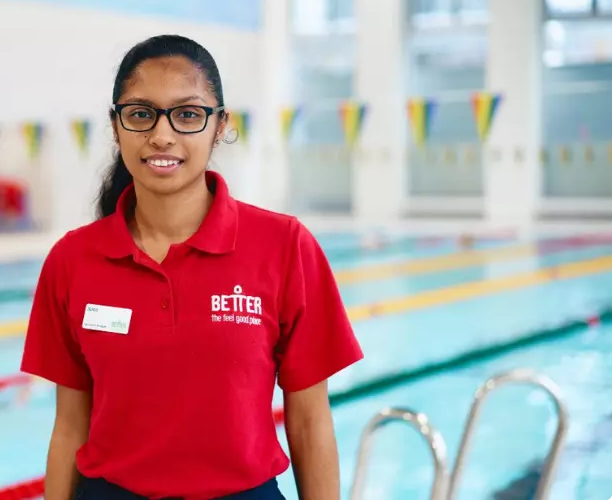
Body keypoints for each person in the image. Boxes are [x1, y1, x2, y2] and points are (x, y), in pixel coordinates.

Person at [20, 35, 363, 500]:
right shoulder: (73, 260)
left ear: (220, 125)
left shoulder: (284, 246)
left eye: (187, 114)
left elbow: (310, 421)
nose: (162, 136)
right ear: (116, 126)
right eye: (141, 114)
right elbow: (68, 426)